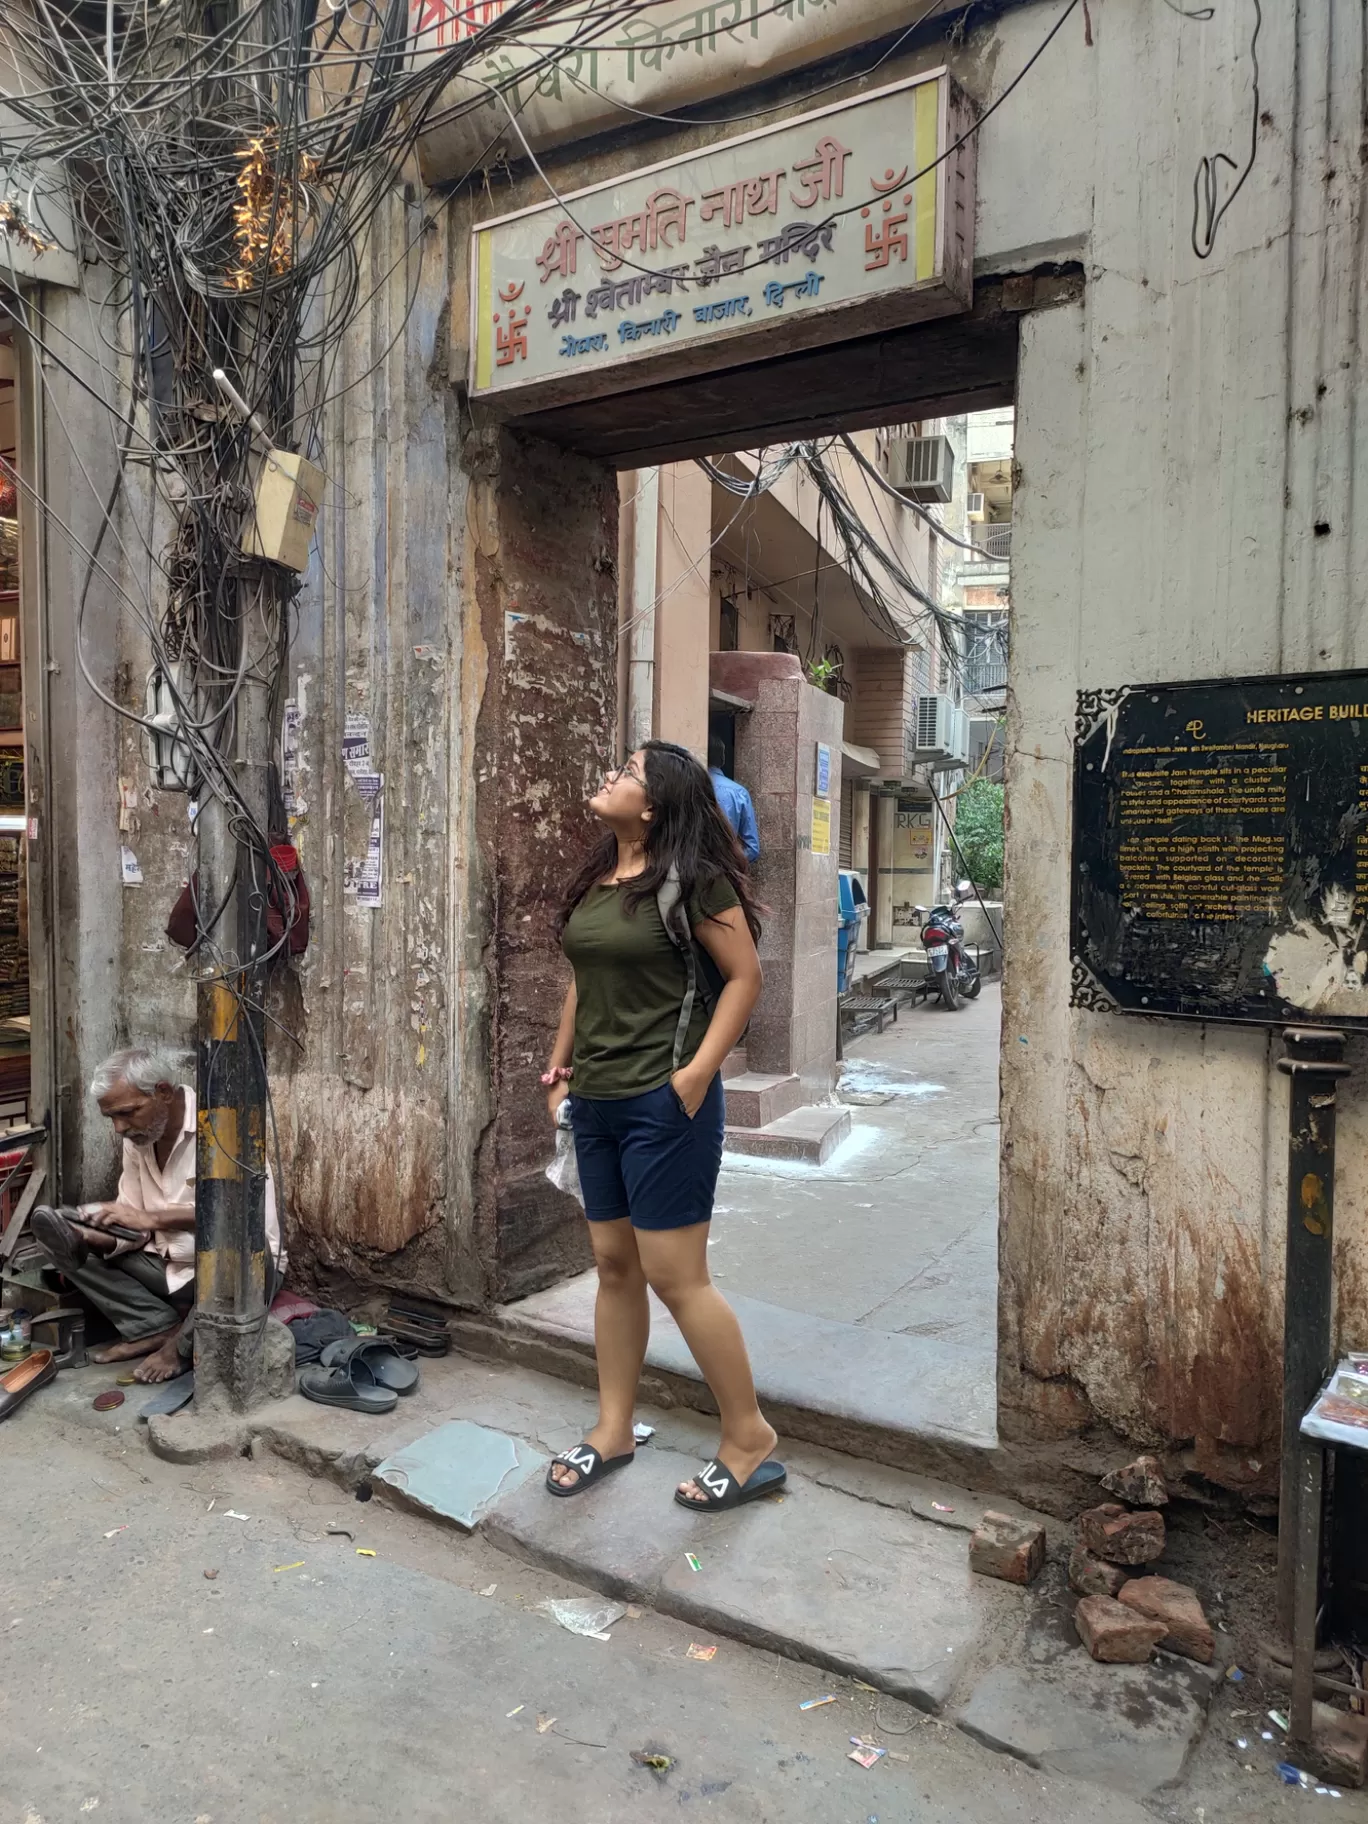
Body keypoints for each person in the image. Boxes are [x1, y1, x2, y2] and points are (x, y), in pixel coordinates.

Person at [542, 740, 784, 1512]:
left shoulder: (696, 882)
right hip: (599, 1101)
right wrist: (560, 1067)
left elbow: (745, 979)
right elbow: (585, 980)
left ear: (651, 806)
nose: (610, 775)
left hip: (664, 1103)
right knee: (614, 1266)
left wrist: (695, 1074)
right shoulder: (601, 879)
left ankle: (749, 1439)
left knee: (677, 1277)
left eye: (628, 773)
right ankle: (613, 1428)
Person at [29, 1047, 283, 1384]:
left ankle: (179, 1347)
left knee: (242, 1251)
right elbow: (134, 1224)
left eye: (128, 1112)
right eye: (112, 1118)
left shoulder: (224, 1126)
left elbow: (241, 1220)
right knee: (63, 1238)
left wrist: (153, 1219)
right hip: (166, 1267)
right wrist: (95, 1237)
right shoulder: (139, 1137)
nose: (119, 1128)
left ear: (163, 1092)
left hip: (238, 1272)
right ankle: (155, 1326)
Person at [707, 734, 760, 864]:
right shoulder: (738, 792)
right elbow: (752, 848)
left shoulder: (688, 786)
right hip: (726, 873)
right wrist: (729, 865)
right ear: (722, 759)